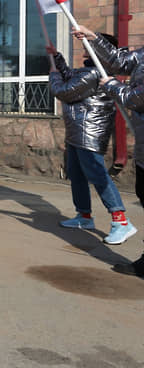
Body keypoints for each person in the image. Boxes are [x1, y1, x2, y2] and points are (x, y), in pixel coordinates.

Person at [56, 30, 136, 247]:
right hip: (76, 132)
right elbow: (71, 77)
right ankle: (84, 216)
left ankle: (121, 220)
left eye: (89, 44)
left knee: (98, 175)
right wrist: (58, 60)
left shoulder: (95, 73)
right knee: (77, 174)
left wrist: (53, 73)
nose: (85, 48)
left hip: (89, 132)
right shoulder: (90, 70)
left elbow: (64, 91)